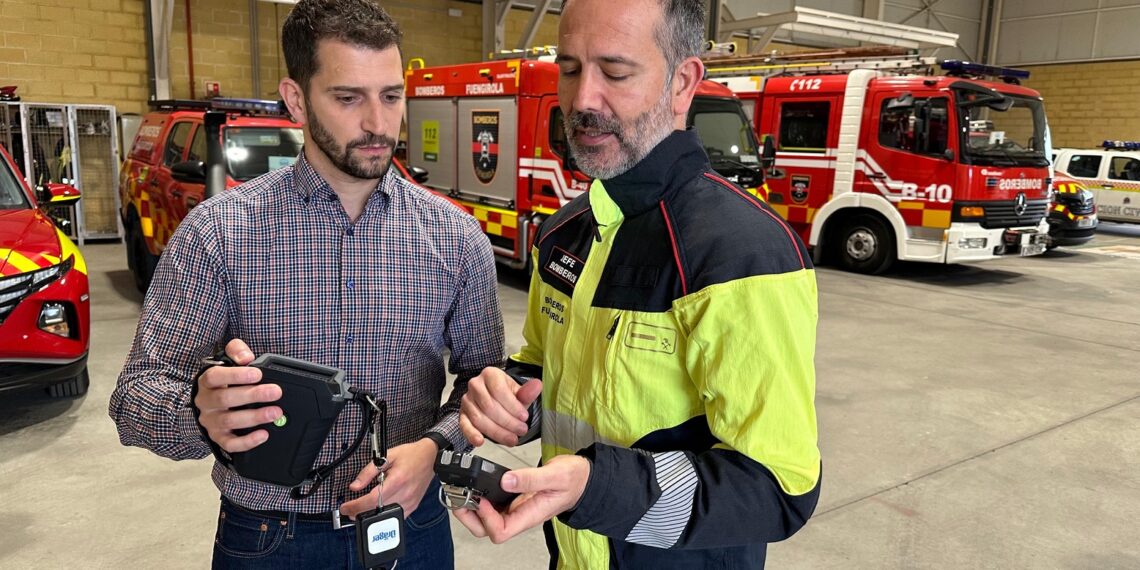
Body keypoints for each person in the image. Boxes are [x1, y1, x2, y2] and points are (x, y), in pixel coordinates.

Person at [108, 0, 504, 568]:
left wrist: (436, 448)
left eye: (391, 96)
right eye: (348, 98)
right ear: (296, 99)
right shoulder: (219, 233)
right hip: (270, 538)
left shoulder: (458, 238)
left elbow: (479, 386)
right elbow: (134, 399)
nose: (377, 122)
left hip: (411, 528)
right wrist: (201, 414)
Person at [452, 0, 821, 568]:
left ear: (683, 81)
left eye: (616, 72)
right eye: (570, 69)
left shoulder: (742, 253)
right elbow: (551, 373)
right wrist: (513, 400)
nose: (581, 100)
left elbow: (780, 486)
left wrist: (596, 488)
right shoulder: (564, 233)